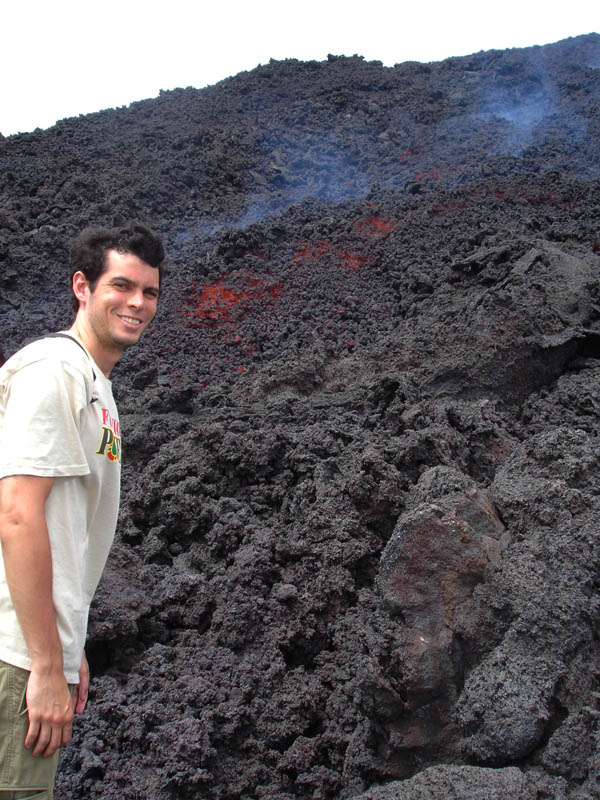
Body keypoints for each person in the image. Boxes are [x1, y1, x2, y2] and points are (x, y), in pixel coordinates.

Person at [0, 222, 165, 797]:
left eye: (150, 292)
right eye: (122, 286)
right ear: (82, 287)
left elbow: (60, 526)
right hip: (14, 656)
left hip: (35, 647)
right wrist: (45, 664)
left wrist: (69, 646)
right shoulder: (55, 371)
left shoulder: (94, 384)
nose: (137, 303)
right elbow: (17, 513)